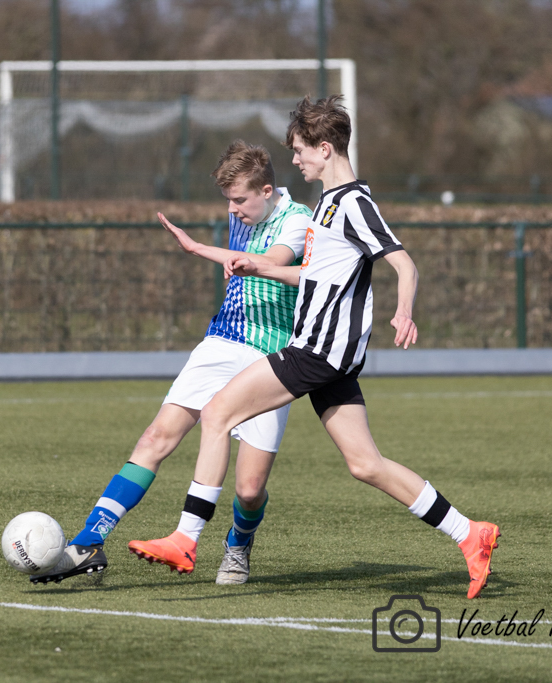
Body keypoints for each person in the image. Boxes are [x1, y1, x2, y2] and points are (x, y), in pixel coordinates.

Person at [128, 96, 501, 599]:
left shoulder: (353, 204)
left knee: (216, 413)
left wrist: (404, 311)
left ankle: (185, 539)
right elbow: (312, 277)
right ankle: (470, 533)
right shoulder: (326, 204)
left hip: (318, 351)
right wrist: (249, 264)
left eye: (300, 150)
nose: (295, 159)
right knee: (365, 464)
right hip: (330, 357)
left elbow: (404, 264)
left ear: (325, 149)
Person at [31, 140, 312, 586]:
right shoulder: (241, 211)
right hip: (222, 339)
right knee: (155, 436)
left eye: (240, 200)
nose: (233, 210)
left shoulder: (298, 220)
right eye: (228, 200)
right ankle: (88, 542)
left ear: (266, 190)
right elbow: (242, 256)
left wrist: (203, 250)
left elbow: (273, 261)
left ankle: (238, 542)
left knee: (249, 490)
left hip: (271, 355)